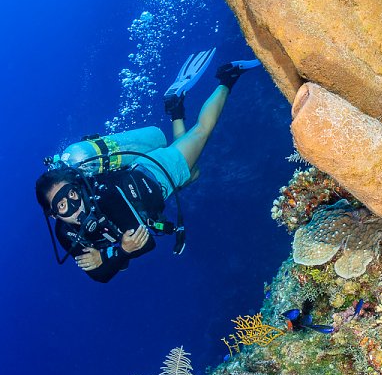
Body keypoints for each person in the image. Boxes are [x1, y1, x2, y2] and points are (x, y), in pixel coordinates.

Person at [35, 52, 257, 282]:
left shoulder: (104, 196)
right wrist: (115, 254)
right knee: (193, 174)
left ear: (77, 186)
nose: (75, 205)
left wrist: (114, 253)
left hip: (157, 171)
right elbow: (100, 276)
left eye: (72, 194)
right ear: (53, 215)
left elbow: (145, 244)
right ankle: (175, 107)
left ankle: (228, 78)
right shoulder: (66, 234)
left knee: (202, 132)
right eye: (63, 206)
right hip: (157, 188)